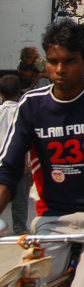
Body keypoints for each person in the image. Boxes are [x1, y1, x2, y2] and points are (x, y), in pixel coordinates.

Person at [0, 21, 84, 283]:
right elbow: (9, 168)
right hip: (52, 220)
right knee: (25, 280)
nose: (60, 70)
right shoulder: (31, 104)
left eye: (70, 61)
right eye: (53, 61)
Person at [0, 75, 26, 235]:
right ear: (19, 91)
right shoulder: (22, 111)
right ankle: (21, 230)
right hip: (19, 162)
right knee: (20, 199)